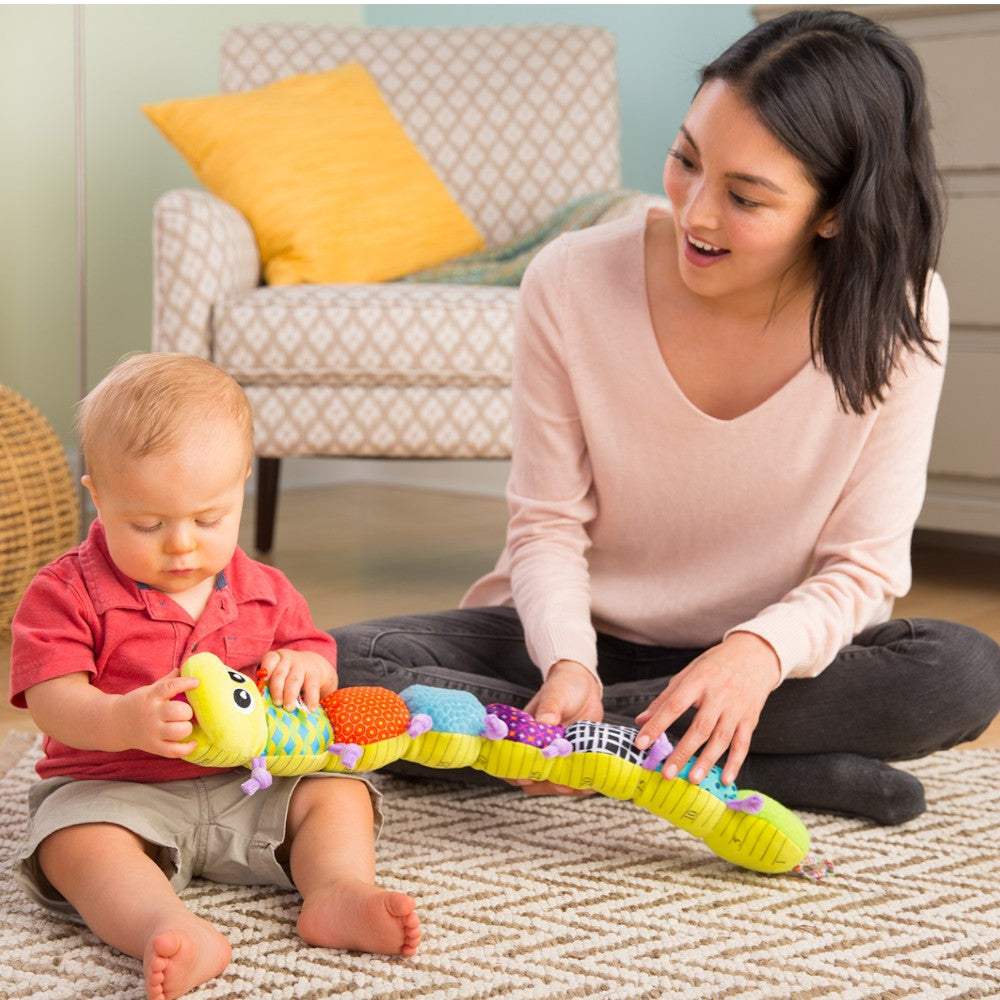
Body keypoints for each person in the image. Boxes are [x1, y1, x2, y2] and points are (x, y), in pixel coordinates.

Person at [332, 9, 1000, 826]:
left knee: (963, 671)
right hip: (571, 636)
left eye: (746, 196)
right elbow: (545, 527)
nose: (696, 214)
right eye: (686, 159)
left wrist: (753, 655)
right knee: (343, 665)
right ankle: (764, 764)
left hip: (769, 662)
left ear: (832, 212)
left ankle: (556, 746)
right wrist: (570, 665)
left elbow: (862, 570)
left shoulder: (900, 315)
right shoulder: (571, 281)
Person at [9, 353, 420, 1000]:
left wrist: (303, 667)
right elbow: (50, 700)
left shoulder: (264, 589)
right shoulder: (66, 592)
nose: (182, 545)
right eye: (147, 524)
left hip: (250, 782)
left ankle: (339, 891)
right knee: (74, 844)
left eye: (208, 519)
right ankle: (162, 925)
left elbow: (315, 654)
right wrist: (123, 718)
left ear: (240, 488)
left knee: (339, 790)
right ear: (97, 496)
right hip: (119, 790)